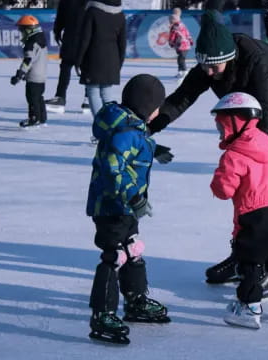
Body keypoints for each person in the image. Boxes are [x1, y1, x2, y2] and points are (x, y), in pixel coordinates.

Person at [146, 10, 268, 285]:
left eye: (214, 68)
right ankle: (243, 257)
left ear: (229, 58)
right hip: (253, 119)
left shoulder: (256, 61)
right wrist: (151, 126)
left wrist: (253, 154)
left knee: (261, 189)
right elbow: (183, 97)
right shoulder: (209, 64)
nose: (209, 74)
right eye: (205, 68)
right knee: (245, 193)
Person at [87, 74, 171, 345]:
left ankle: (135, 300)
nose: (159, 111)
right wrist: (134, 197)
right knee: (115, 255)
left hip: (124, 206)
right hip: (113, 206)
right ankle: (103, 313)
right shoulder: (126, 132)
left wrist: (154, 149)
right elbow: (113, 167)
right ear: (147, 107)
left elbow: (136, 145)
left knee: (133, 247)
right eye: (157, 106)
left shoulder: (130, 126)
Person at [210, 92, 268, 329]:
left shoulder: (234, 155)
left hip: (254, 215)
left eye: (222, 124)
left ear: (236, 121)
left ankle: (248, 307)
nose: (220, 130)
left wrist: (218, 177)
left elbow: (224, 190)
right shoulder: (267, 144)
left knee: (251, 263)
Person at [75, 0, 126, 118]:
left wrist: (78, 60)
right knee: (106, 92)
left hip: (93, 58)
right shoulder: (120, 15)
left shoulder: (92, 12)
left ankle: (101, 126)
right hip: (112, 59)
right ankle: (111, 123)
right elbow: (122, 43)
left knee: (93, 91)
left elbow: (84, 39)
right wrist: (119, 63)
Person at [45, 0, 90, 114]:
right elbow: (61, 15)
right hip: (76, 37)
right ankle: (62, 97)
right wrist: (57, 30)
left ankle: (86, 98)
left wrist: (57, 30)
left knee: (80, 67)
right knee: (69, 66)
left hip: (82, 37)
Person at [10, 15, 47, 128]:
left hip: (34, 77)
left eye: (22, 30)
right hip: (42, 76)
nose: (21, 33)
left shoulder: (30, 44)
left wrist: (19, 74)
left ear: (28, 30)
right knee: (39, 97)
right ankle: (42, 117)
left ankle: (34, 118)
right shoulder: (41, 39)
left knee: (32, 97)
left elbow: (28, 61)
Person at [168, 12, 193, 78]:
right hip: (185, 45)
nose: (170, 21)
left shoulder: (175, 26)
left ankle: (184, 71)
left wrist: (171, 43)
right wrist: (190, 40)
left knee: (181, 59)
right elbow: (187, 33)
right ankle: (180, 72)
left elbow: (172, 36)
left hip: (181, 45)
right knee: (180, 59)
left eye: (170, 20)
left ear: (174, 20)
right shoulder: (182, 25)